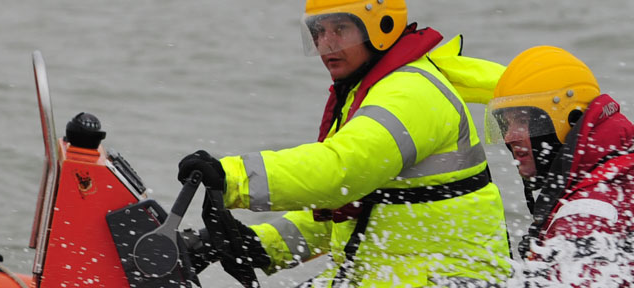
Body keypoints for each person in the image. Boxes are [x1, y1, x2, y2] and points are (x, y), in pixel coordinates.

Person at [175, 0, 510, 286]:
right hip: (395, 273)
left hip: (447, 277)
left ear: (381, 28)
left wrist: (230, 176)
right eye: (318, 33)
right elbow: (349, 212)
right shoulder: (369, 91)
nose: (327, 44)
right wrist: (259, 244)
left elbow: (340, 173)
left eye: (340, 30)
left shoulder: (411, 94)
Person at [488, 46, 634, 287]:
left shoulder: (586, 211)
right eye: (506, 123)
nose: (509, 137)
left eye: (524, 121)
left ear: (571, 119)